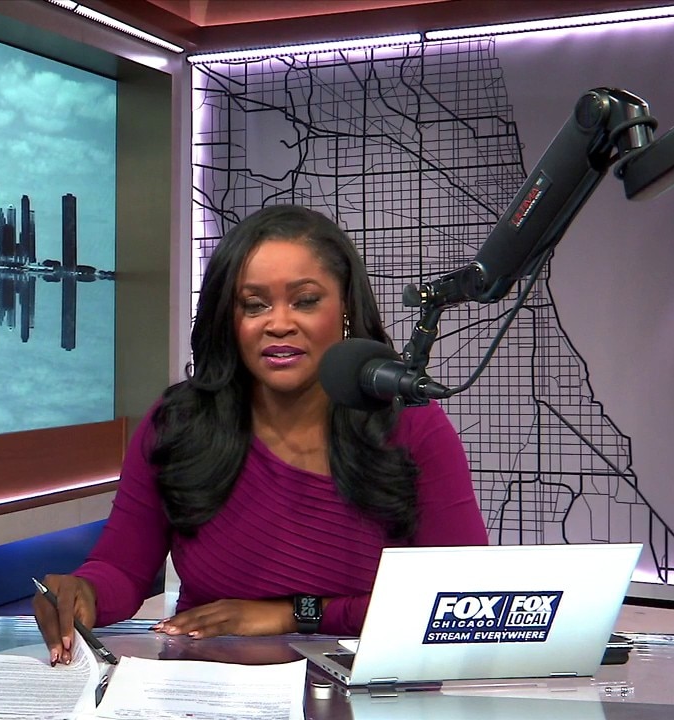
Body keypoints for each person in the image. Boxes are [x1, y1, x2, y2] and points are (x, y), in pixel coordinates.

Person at [33, 204, 488, 665]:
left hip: (368, 686)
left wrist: (295, 614)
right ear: (230, 319)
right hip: (208, 687)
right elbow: (121, 570)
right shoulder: (179, 423)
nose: (279, 324)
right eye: (254, 305)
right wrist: (83, 592)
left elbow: (464, 601)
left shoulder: (410, 424)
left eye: (305, 301)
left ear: (346, 309)